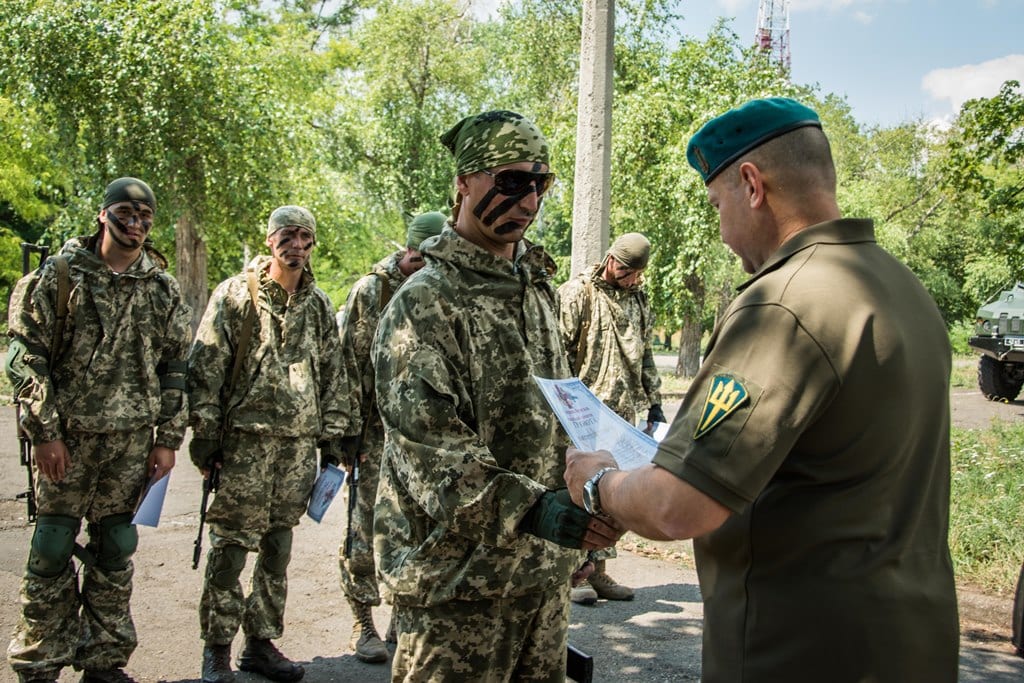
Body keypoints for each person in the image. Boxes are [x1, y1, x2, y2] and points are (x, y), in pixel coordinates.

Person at [563, 97, 959, 682]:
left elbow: (679, 505)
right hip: (908, 642)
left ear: (751, 184)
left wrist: (598, 481)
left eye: (716, 204)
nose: (722, 232)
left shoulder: (784, 303)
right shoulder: (901, 287)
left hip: (801, 650)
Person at [372, 110, 623, 682]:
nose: (529, 201)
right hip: (455, 587)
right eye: (509, 182)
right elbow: (431, 454)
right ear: (464, 182)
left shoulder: (535, 292)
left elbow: (561, 416)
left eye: (540, 183)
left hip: (540, 578)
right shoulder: (425, 302)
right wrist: (537, 512)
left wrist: (578, 528)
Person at [5, 178, 192, 683]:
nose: (136, 222)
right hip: (66, 443)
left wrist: (167, 440)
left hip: (132, 444)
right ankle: (40, 660)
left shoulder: (161, 288)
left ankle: (103, 659)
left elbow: (176, 367)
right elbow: (25, 359)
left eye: (145, 216)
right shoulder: (58, 277)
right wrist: (44, 432)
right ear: (104, 215)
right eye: (127, 211)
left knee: (115, 547)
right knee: (51, 546)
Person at [188, 205, 352, 683]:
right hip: (244, 447)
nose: (295, 244)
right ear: (269, 240)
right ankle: (216, 649)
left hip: (296, 449)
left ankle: (260, 643)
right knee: (230, 550)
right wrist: (206, 438)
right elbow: (206, 369)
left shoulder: (318, 304)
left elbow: (332, 373)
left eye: (304, 236)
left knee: (278, 548)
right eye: (287, 235)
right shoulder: (237, 295)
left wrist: (334, 441)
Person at [336, 210, 446, 663]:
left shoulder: (442, 287)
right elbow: (348, 367)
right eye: (420, 256)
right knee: (362, 532)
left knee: (417, 530)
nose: (426, 265)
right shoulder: (371, 291)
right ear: (408, 249)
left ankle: (403, 622)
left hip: (421, 439)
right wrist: (343, 438)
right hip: (373, 437)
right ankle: (362, 621)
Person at [557, 231, 664, 604]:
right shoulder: (578, 294)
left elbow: (646, 352)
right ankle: (574, 574)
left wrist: (654, 401)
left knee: (612, 496)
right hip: (582, 415)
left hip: (621, 415)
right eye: (626, 270)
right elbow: (556, 351)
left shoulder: (638, 300)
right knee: (579, 494)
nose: (632, 279)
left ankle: (600, 572)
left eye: (638, 273)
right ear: (611, 260)